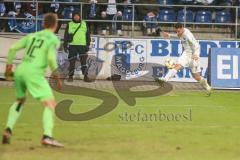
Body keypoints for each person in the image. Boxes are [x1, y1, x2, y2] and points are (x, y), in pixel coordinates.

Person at [2, 13, 64, 147]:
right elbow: (51, 59)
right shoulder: (53, 39)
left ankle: (8, 129)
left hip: (20, 71)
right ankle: (47, 136)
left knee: (20, 100)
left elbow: (12, 49)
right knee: (50, 103)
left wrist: (8, 68)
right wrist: (57, 78)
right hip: (34, 73)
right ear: (55, 25)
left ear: (43, 24)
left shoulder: (32, 36)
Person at [157, 23, 212, 95]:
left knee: (197, 77)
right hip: (186, 54)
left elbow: (197, 45)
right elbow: (178, 35)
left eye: (178, 31)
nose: (177, 33)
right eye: (176, 31)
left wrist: (196, 54)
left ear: (182, 28)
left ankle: (207, 86)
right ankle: (164, 79)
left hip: (193, 56)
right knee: (177, 65)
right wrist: (169, 35)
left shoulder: (188, 35)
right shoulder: (180, 33)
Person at [64, 11, 92, 82]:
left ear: (80, 16)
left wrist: (88, 44)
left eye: (77, 15)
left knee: (83, 62)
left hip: (82, 46)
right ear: (72, 16)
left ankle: (85, 76)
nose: (76, 17)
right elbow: (66, 35)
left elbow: (87, 35)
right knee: (72, 62)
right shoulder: (69, 24)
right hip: (72, 46)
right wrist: (65, 44)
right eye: (75, 16)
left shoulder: (84, 23)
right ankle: (70, 77)